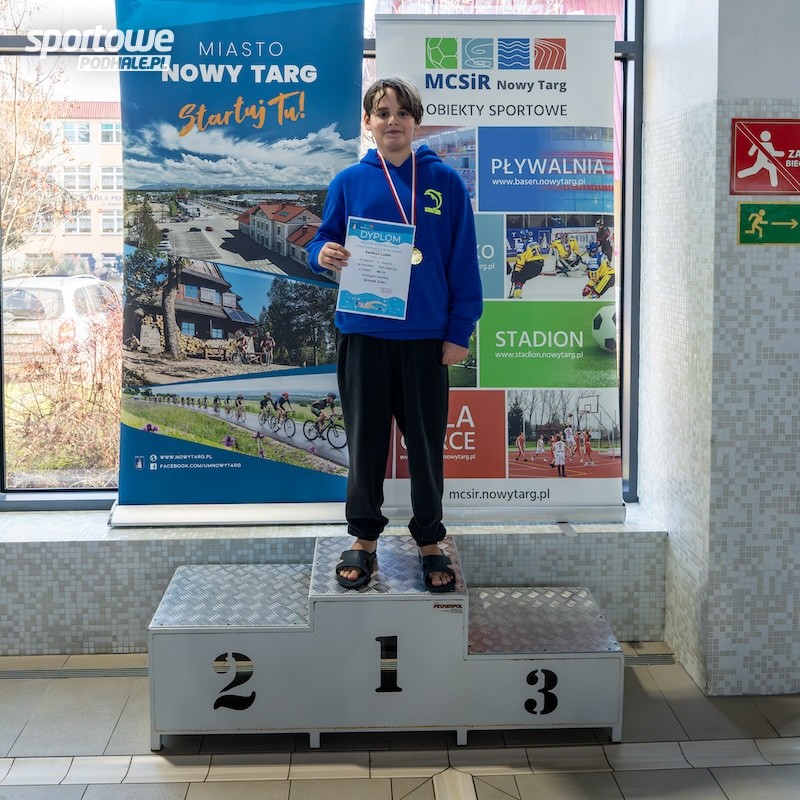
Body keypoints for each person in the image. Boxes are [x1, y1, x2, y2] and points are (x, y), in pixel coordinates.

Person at [307, 76, 482, 593]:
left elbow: (463, 263)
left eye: (403, 113)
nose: (393, 121)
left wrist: (459, 330)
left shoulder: (445, 182)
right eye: (382, 113)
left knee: (426, 447)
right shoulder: (348, 182)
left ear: (416, 122)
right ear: (368, 122)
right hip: (364, 332)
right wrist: (322, 254)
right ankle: (364, 538)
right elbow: (322, 241)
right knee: (365, 444)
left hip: (426, 338)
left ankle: (429, 539)